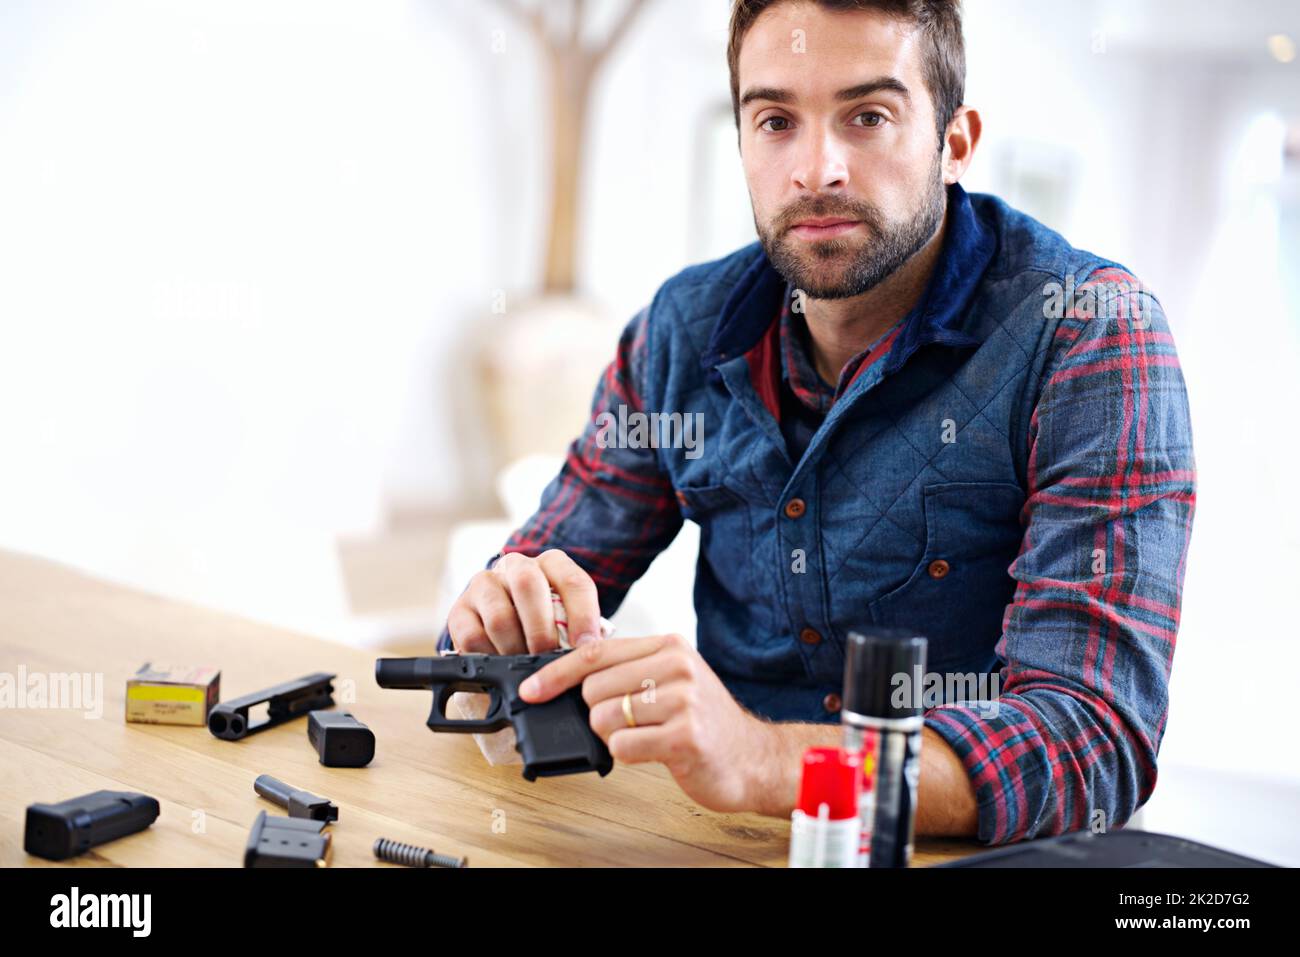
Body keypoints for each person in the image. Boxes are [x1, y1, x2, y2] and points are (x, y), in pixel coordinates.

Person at [438, 0, 1196, 845]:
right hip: (729, 843)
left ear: (955, 142)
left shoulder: (1088, 332)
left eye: (867, 116)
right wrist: (499, 620)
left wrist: (766, 763)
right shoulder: (681, 331)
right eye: (775, 120)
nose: (816, 168)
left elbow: (1091, 741)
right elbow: (525, 600)